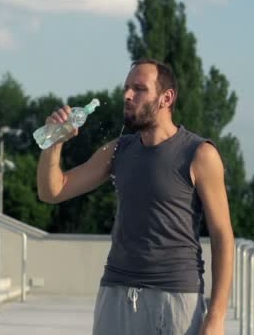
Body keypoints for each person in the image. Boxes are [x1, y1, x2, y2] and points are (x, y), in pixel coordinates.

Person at [37, 59, 234, 335]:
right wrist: (53, 142)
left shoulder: (199, 154)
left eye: (139, 89)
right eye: (126, 88)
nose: (127, 96)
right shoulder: (118, 150)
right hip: (116, 292)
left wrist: (216, 316)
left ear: (166, 97)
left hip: (176, 297)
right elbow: (52, 191)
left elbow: (222, 236)